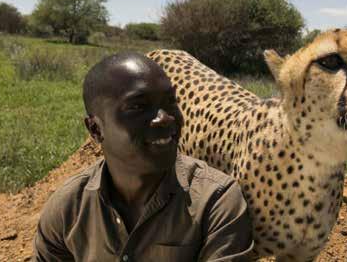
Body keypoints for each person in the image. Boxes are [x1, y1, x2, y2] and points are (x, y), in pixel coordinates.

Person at [33, 52, 253, 261]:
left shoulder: (216, 201)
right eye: (138, 106)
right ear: (96, 130)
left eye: (170, 102)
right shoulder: (68, 208)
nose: (165, 118)